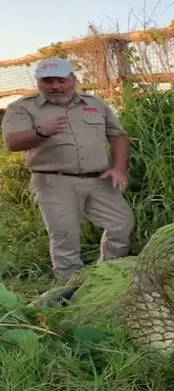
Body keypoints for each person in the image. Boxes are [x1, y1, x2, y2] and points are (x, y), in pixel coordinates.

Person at [1, 58, 134, 280]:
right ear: (38, 82)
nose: (55, 86)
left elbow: (118, 136)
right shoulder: (22, 107)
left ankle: (108, 275)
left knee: (121, 223)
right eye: (48, 81)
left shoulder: (96, 104)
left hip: (99, 178)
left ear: (74, 79)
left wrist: (119, 168)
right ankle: (70, 289)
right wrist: (41, 132)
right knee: (65, 236)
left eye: (61, 80)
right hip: (54, 180)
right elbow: (12, 143)